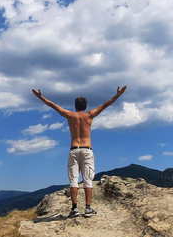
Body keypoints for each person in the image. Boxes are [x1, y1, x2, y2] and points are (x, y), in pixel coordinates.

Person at [32, 86, 127, 218]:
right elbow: (105, 105)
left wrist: (40, 97)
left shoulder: (70, 115)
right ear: (85, 106)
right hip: (87, 150)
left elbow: (54, 105)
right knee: (88, 180)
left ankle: (74, 209)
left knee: (73, 180)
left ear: (75, 106)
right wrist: (117, 95)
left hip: (74, 149)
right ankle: (88, 208)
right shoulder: (90, 115)